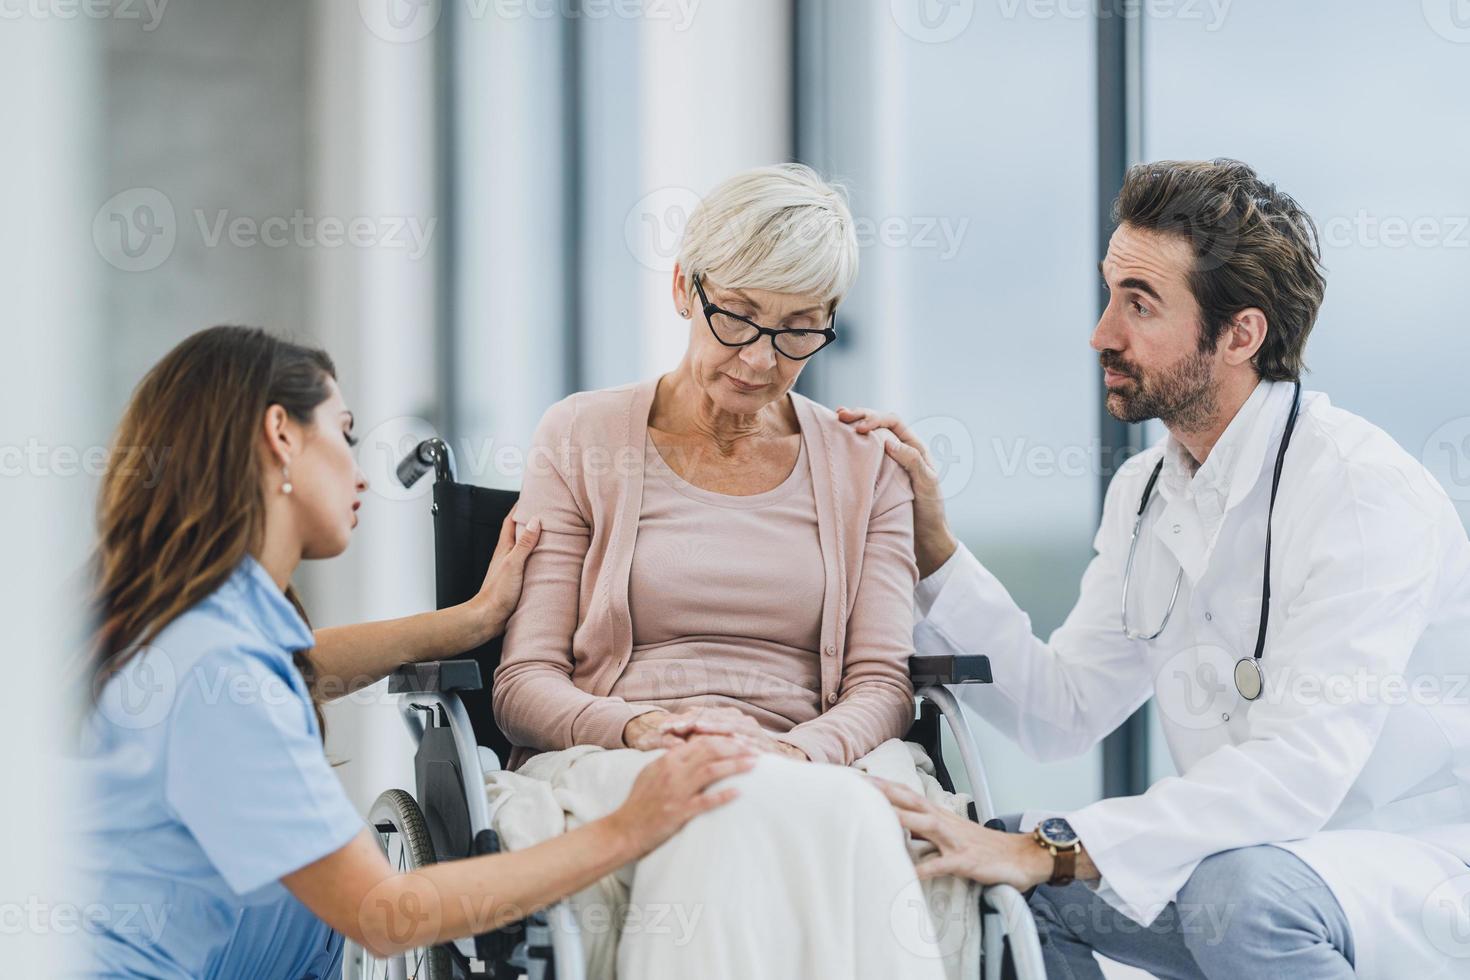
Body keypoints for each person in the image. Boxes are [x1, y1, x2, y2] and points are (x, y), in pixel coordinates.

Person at [846, 158, 1470, 979]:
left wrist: (1057, 848)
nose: (1102, 333)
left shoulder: (1359, 489)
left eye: (1139, 304)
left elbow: (1298, 777)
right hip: (1242, 866)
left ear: (1240, 335)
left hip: (1407, 864)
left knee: (1241, 895)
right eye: (1110, 294)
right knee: (998, 878)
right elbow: (1063, 712)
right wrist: (933, 550)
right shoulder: (1146, 490)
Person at [72, 325, 755, 979]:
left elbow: (304, 666)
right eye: (344, 434)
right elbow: (384, 914)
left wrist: (474, 619)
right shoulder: (218, 668)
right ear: (280, 434)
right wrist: (628, 829)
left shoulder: (200, 631)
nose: (361, 472)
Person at [490, 164, 967, 978]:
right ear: (685, 287)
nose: (759, 358)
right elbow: (523, 685)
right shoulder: (581, 435)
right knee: (721, 798)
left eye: (798, 330)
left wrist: (797, 754)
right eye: (738, 318)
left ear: (829, 324)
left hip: (816, 757)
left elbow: (882, 685)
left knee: (762, 796)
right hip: (623, 756)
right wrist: (640, 728)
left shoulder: (868, 467)